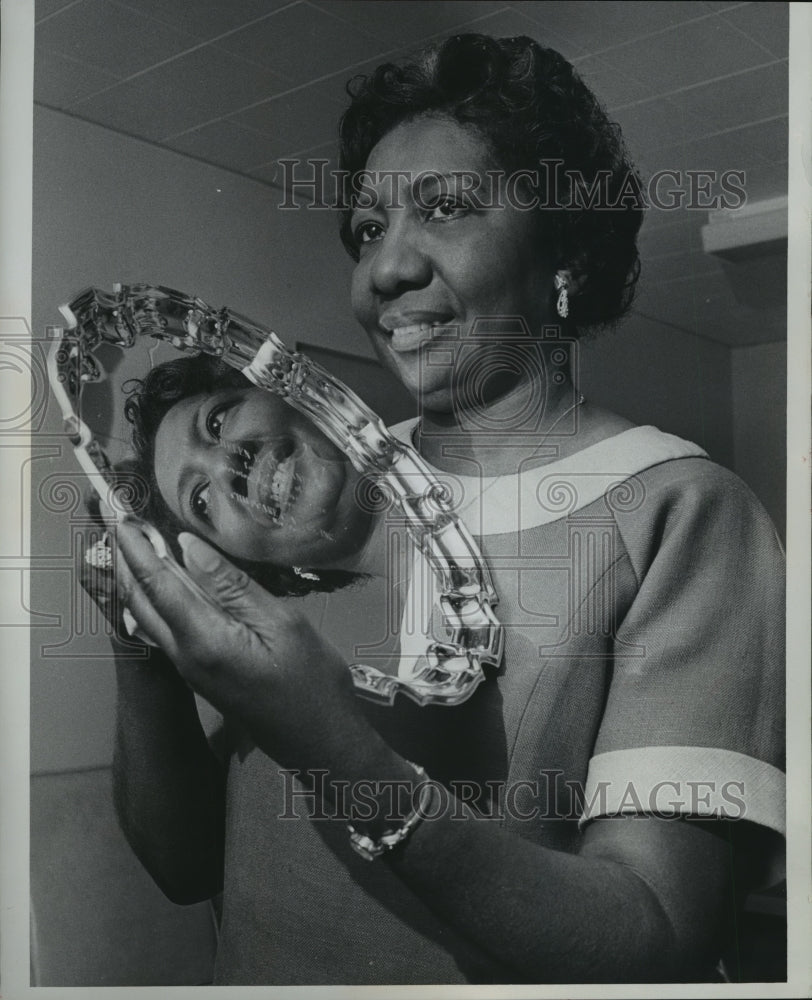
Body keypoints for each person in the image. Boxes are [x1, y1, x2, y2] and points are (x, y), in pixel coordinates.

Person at [97, 34, 785, 985]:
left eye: (446, 210)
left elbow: (656, 930)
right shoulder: (312, 510)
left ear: (565, 247)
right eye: (368, 229)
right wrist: (140, 638)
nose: (382, 271)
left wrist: (334, 748)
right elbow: (184, 867)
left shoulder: (684, 513)